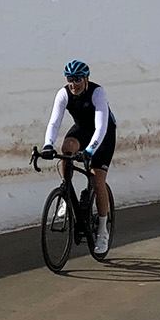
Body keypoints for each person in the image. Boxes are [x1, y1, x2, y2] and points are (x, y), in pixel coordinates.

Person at [41, 60, 117, 259]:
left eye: (77, 79)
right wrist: (48, 145)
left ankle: (102, 230)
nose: (73, 84)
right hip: (82, 130)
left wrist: (90, 151)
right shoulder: (63, 93)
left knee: (96, 179)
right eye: (70, 79)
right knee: (66, 150)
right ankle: (66, 193)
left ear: (86, 79)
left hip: (104, 133)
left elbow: (100, 127)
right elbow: (54, 122)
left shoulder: (97, 92)